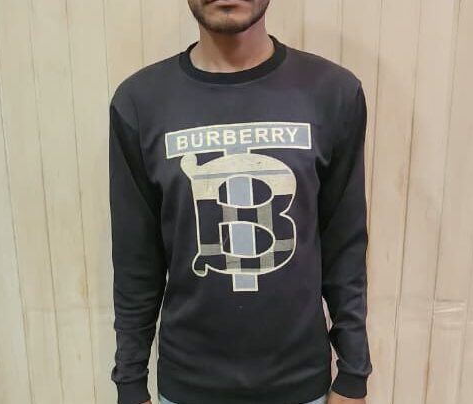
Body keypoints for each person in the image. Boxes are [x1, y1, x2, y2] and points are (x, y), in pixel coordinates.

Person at [108, 0, 373, 403]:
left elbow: (345, 248)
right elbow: (135, 262)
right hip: (187, 386)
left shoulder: (333, 93)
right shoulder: (139, 103)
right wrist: (130, 383)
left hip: (301, 385)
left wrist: (353, 374)